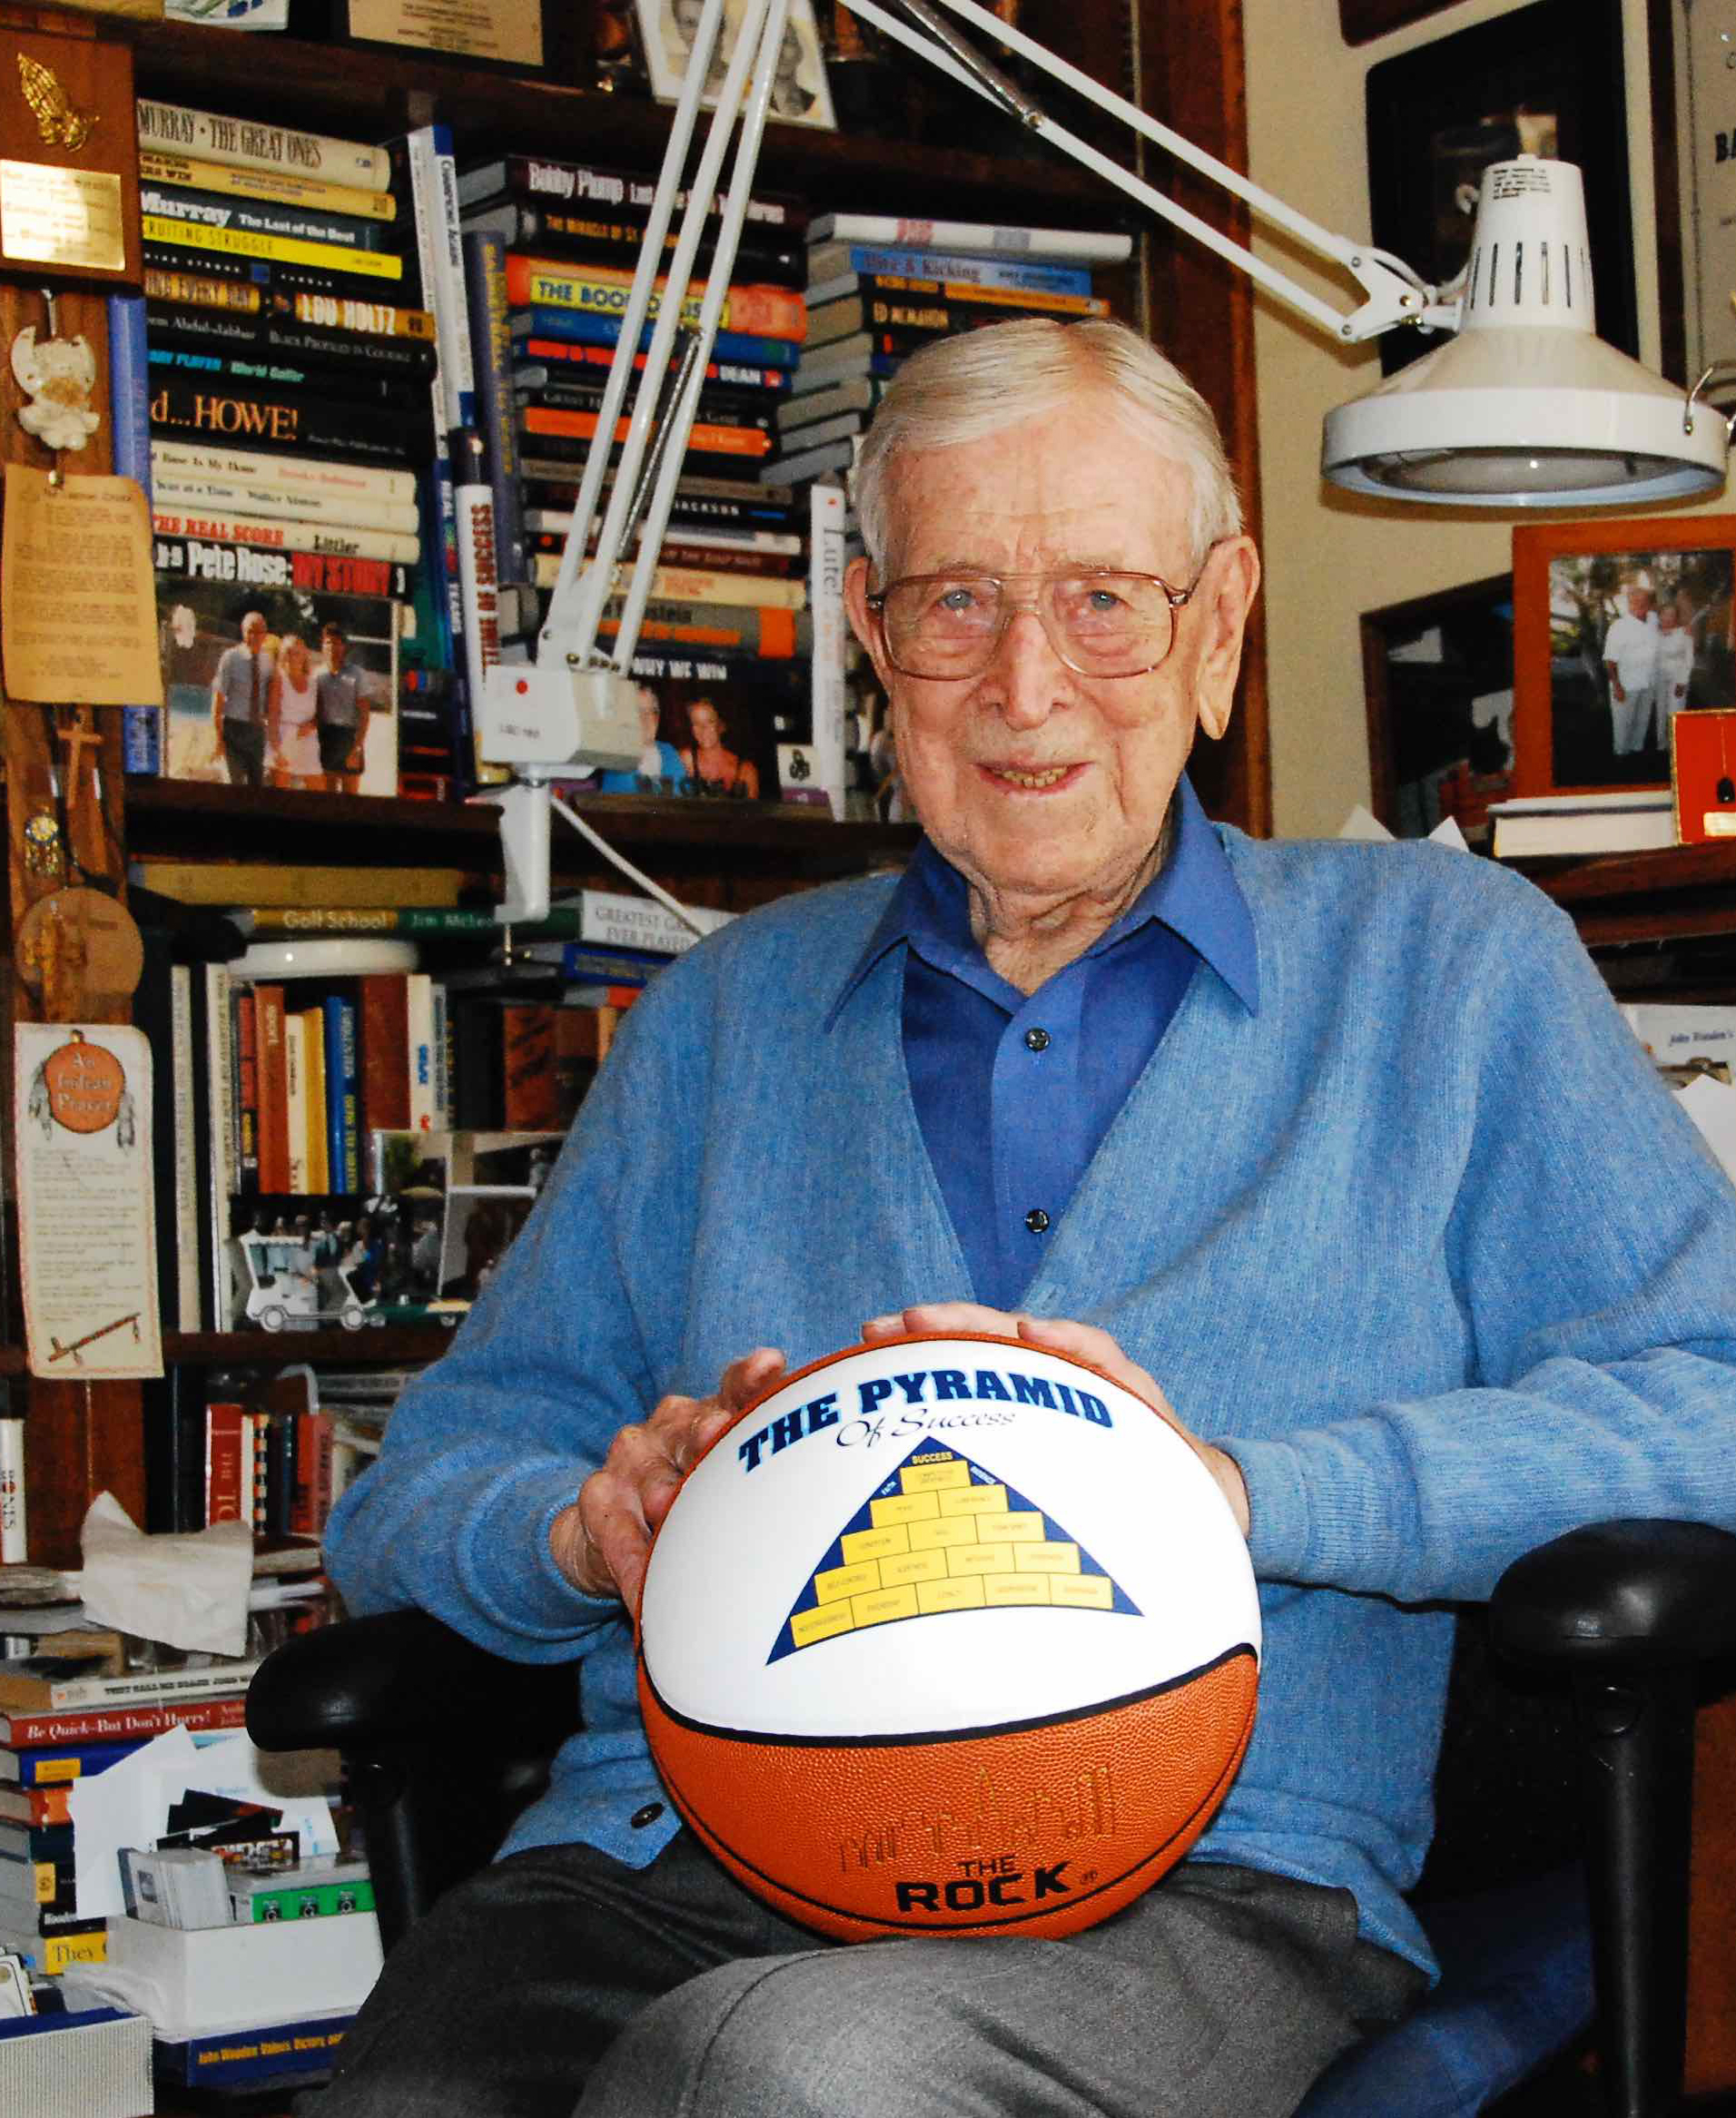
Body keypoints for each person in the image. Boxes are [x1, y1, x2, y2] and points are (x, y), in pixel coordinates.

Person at [314, 318, 1736, 2118]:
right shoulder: (722, 1020)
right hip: (675, 1847)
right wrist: (583, 1531)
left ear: (1219, 625)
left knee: (788, 2075)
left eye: (1103, 602)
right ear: (869, 642)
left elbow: (1711, 1395)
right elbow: (415, 1491)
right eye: (957, 604)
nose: (1027, 685)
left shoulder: (1443, 972)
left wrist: (1232, 1493)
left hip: (1199, 1871)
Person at [210, 608, 275, 787]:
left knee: (257, 784)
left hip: (257, 731)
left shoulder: (268, 661)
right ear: (243, 631)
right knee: (234, 783)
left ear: (265, 634)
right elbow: (218, 699)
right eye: (250, 631)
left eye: (259, 631)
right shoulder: (230, 658)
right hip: (234, 729)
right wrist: (218, 737)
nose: (255, 636)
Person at [1603, 576, 1660, 757]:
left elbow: (1666, 625)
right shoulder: (1619, 627)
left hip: (1648, 683)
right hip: (1627, 684)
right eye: (1633, 602)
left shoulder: (1653, 619)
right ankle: (1621, 754)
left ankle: (1637, 751)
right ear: (1628, 604)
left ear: (1650, 604)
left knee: (1642, 721)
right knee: (1623, 723)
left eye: (1642, 602)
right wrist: (1617, 686)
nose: (1638, 605)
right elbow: (1610, 661)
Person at [314, 623, 370, 795]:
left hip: (349, 738)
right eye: (328, 642)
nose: (332, 647)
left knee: (351, 800)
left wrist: (358, 746)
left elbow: (365, 715)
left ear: (344, 647)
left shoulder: (357, 674)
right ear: (322, 645)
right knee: (327, 798)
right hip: (326, 738)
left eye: (337, 643)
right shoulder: (317, 675)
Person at [600, 685, 686, 793]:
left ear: (657, 718)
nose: (644, 719)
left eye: (649, 712)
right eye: (637, 712)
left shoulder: (668, 751)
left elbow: (684, 797)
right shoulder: (618, 754)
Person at [268, 633, 323, 790]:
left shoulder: (313, 683)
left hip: (309, 739)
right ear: (284, 656)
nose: (294, 657)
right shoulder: (279, 679)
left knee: (319, 790)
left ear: (305, 654)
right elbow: (272, 716)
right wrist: (276, 749)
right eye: (290, 653)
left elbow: (321, 714)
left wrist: (311, 726)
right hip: (284, 738)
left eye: (298, 652)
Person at [678, 695, 758, 797]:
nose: (703, 729)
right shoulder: (686, 759)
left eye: (710, 722)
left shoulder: (746, 770)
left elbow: (753, 812)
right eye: (696, 723)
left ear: (721, 725)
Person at [1656, 596, 1696, 733]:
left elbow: (1689, 660)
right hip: (1659, 678)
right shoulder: (1653, 633)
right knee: (1661, 712)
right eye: (1664, 614)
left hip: (1677, 679)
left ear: (1676, 618)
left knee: (1675, 712)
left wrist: (1682, 682)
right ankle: (1662, 745)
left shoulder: (1684, 634)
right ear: (1659, 615)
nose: (1667, 618)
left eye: (1671, 615)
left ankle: (1677, 744)